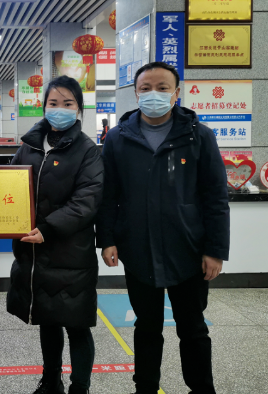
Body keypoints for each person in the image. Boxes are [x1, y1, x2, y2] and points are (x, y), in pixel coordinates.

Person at [97, 62, 230, 394]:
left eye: (162, 87)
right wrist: (107, 239)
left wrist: (215, 250)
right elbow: (108, 195)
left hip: (189, 249)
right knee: (146, 326)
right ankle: (145, 388)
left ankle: (202, 389)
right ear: (136, 93)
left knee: (193, 327)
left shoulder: (199, 135)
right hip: (138, 249)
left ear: (176, 92)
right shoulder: (118, 138)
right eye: (145, 88)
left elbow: (215, 198)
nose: (153, 94)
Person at [6, 76, 104, 394]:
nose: (59, 109)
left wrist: (47, 229)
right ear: (44, 106)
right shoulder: (29, 146)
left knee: (77, 325)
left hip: (70, 253)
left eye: (68, 103)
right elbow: (7, 186)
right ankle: (50, 382)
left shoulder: (87, 151)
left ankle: (80, 387)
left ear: (78, 109)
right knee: (47, 320)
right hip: (35, 254)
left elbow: (86, 201)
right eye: (53, 103)